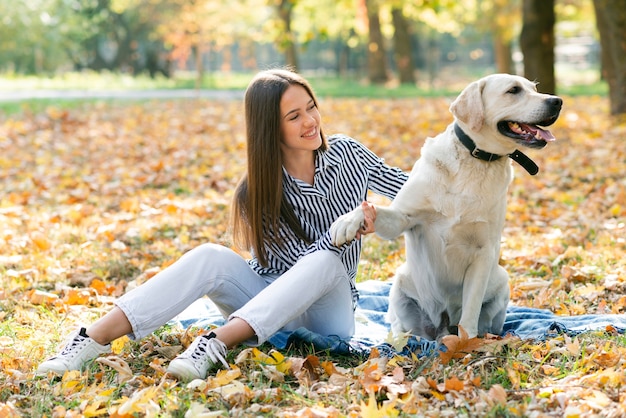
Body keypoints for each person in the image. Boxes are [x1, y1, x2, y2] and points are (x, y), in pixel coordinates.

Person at [37, 68, 408, 381]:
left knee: (326, 262)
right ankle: (89, 339)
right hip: (263, 304)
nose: (310, 121)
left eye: (311, 107)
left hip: (329, 314)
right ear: (270, 129)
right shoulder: (257, 190)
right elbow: (289, 271)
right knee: (209, 256)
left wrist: (396, 208)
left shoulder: (349, 155)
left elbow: (411, 190)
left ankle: (215, 343)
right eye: (294, 116)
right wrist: (335, 234)